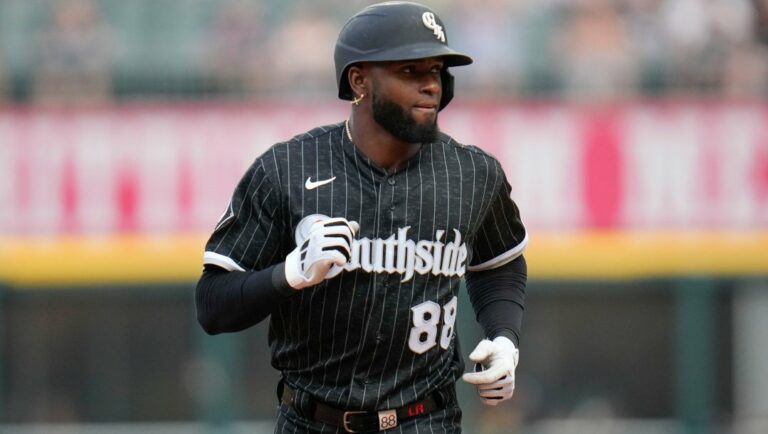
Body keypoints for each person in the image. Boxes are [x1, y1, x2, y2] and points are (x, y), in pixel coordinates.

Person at [195, 2, 528, 433]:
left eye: (437, 71)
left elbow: (499, 265)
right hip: (313, 420)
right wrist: (289, 273)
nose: (431, 85)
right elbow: (213, 305)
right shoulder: (287, 169)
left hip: (427, 419)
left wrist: (504, 337)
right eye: (411, 72)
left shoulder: (472, 173)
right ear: (359, 80)